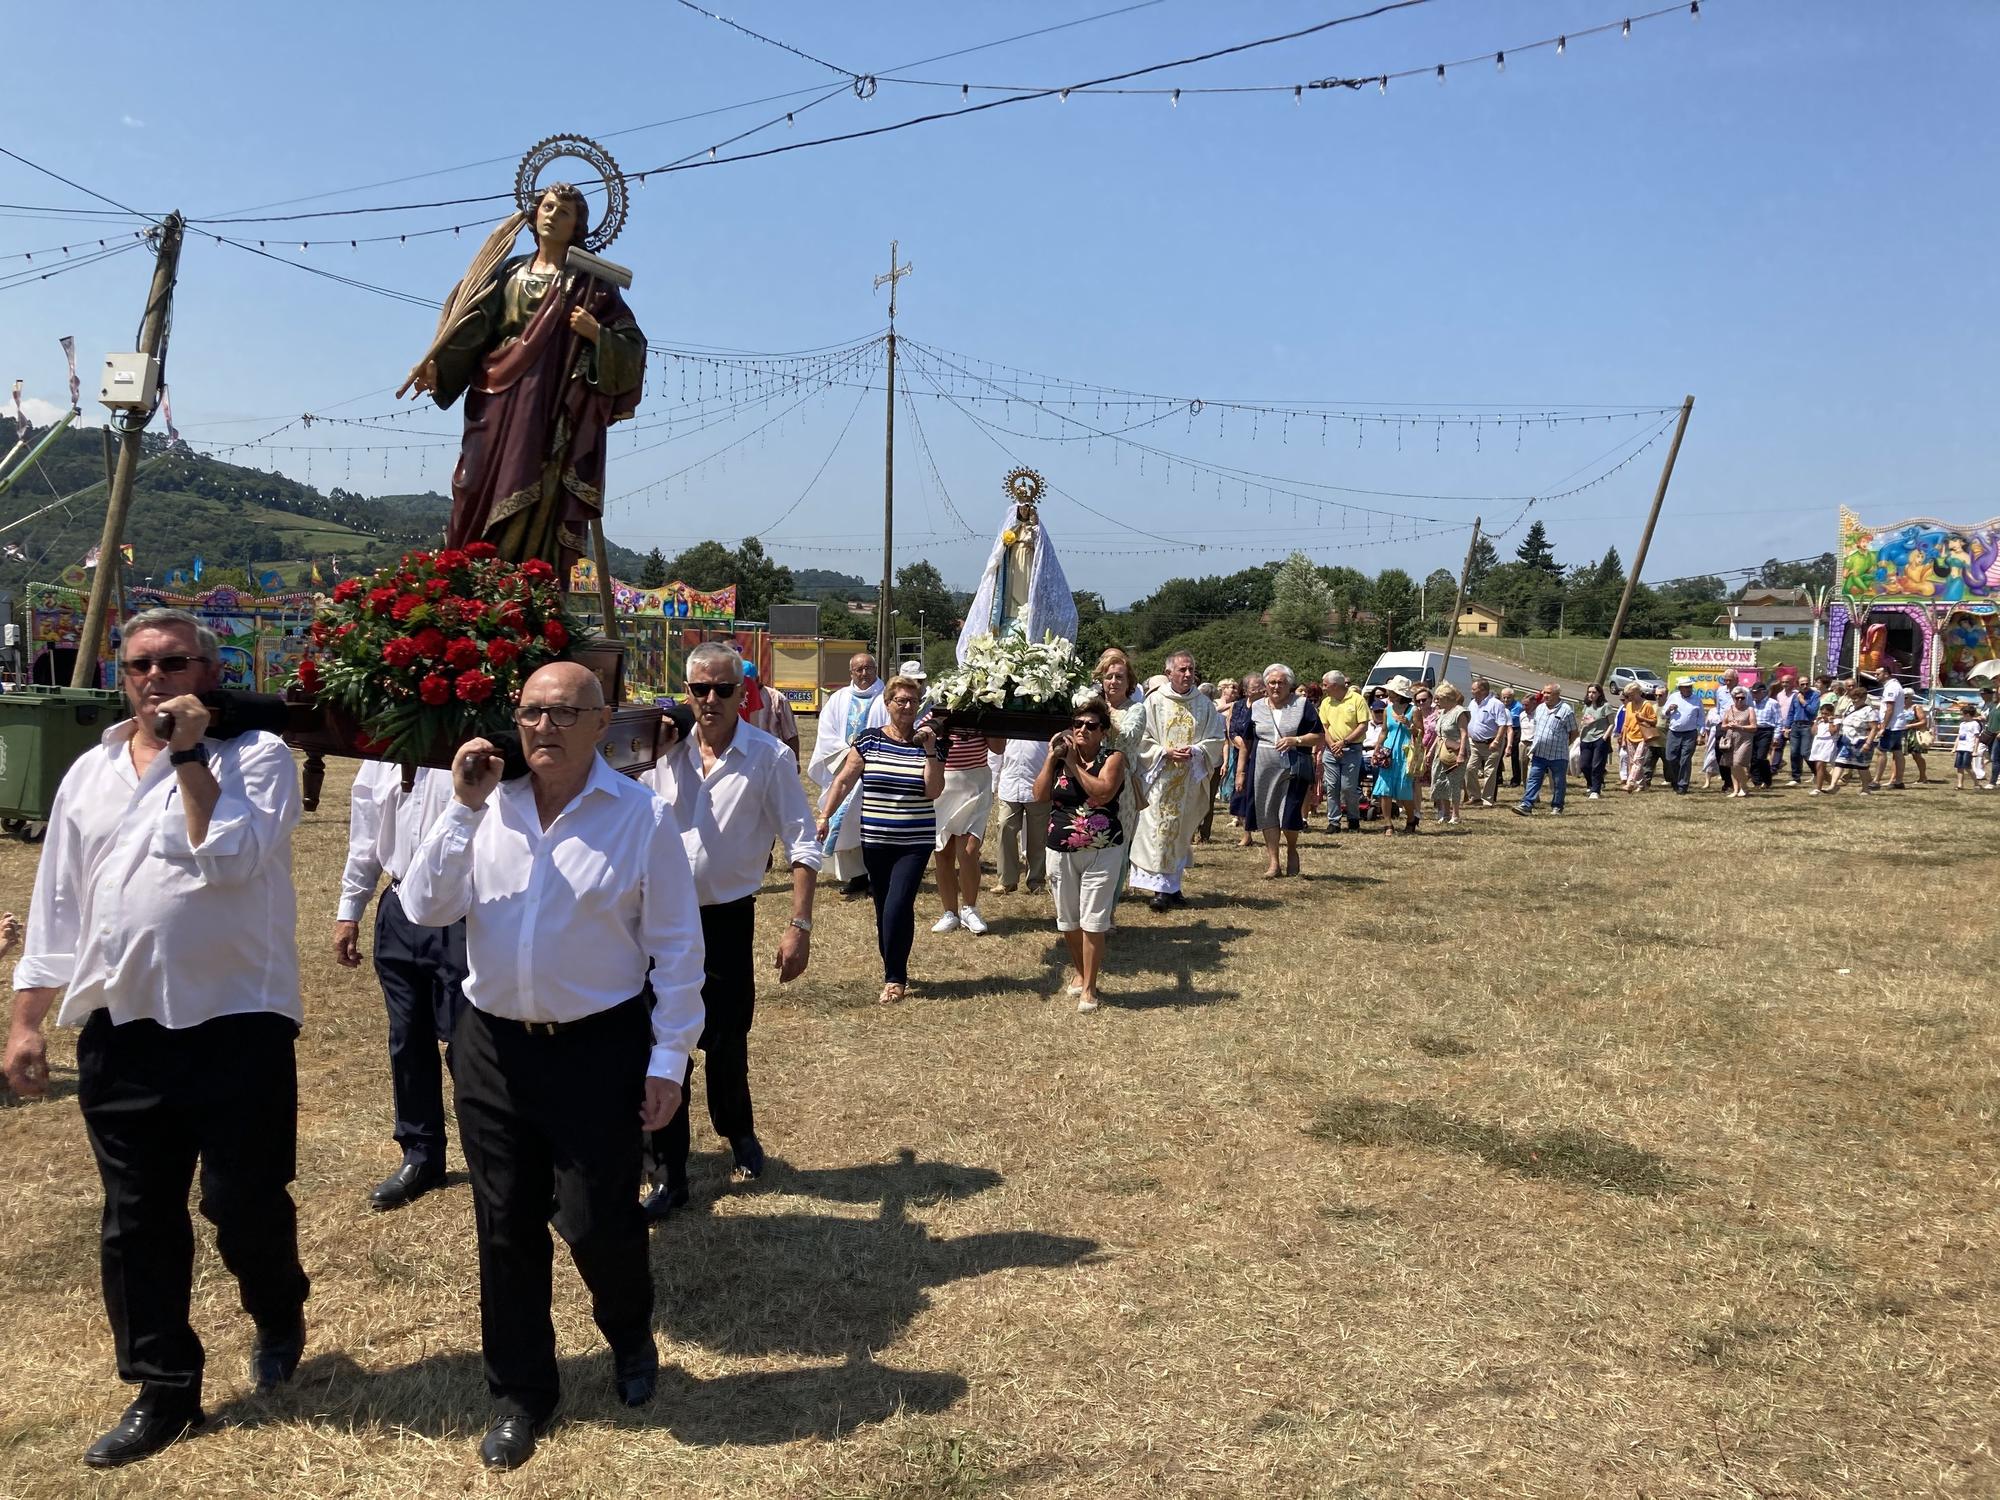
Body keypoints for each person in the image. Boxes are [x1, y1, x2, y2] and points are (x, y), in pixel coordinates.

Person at [4, 608, 309, 1467]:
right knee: (137, 1217)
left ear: (209, 674)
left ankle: (277, 1303)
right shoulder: (90, 772)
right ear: (120, 674)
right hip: (122, 1023)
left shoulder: (258, 759)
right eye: (139, 664)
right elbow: (59, 901)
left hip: (236, 1021)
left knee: (242, 1202)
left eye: (176, 662)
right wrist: (28, 1022)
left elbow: (235, 859)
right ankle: (163, 1387)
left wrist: (187, 756)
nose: (156, 678)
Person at [400, 661, 705, 1468]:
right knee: (503, 1224)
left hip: (597, 1047)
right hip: (491, 1045)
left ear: (602, 724)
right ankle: (521, 1394)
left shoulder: (640, 816)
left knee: (597, 1219)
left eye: (565, 713)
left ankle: (629, 1332)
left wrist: (668, 1059)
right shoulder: (481, 804)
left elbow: (676, 948)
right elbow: (424, 907)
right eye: (532, 712)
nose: (545, 728)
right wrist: (462, 810)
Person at [640, 643, 819, 1219]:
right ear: (685, 692)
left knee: (725, 1035)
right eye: (699, 690)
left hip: (725, 917)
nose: (710, 700)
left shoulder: (766, 757)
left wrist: (799, 924)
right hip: (659, 922)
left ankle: (737, 1129)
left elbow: (802, 840)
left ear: (744, 694)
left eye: (722, 689)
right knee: (662, 1043)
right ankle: (670, 1169)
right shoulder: (657, 755)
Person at [401, 183, 645, 576]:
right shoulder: (509, 272)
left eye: (564, 212)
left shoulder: (591, 283)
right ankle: (467, 583)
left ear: (577, 227)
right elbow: (475, 325)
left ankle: (525, 587)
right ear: (534, 215)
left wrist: (596, 334)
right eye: (547, 207)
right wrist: (439, 365)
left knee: (538, 490)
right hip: (496, 395)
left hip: (549, 409)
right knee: (472, 483)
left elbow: (633, 344)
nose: (552, 215)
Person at [335, 761, 464, 1212]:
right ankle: (421, 1154)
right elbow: (366, 837)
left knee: (469, 1043)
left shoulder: (465, 747)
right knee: (407, 1037)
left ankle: (497, 1154)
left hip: (460, 910)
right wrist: (350, 910)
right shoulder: (380, 762)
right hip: (398, 903)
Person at [814, 675, 944, 1004]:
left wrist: (929, 750)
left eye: (913, 701)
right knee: (884, 906)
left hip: (914, 841)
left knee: (899, 903)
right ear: (887, 704)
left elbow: (934, 790)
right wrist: (825, 815)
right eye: (900, 700)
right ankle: (893, 968)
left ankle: (895, 977)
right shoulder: (870, 740)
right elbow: (843, 781)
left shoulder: (931, 744)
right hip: (876, 839)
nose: (907, 707)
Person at [1032, 698, 1127, 1012]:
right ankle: (1080, 971)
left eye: (1091, 725)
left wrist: (1073, 764)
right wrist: (1051, 758)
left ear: (1103, 732)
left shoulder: (1114, 758)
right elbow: (1039, 795)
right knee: (1069, 921)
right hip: (1060, 848)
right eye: (1078, 724)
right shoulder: (1060, 758)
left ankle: (1089, 987)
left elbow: (1102, 793)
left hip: (1103, 849)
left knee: (1093, 921)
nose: (1083, 730)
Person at [1129, 650, 1229, 911]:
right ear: (1168, 673)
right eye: (1182, 670)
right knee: (1158, 834)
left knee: (1180, 833)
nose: (1188, 674)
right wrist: (1164, 752)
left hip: (1188, 780)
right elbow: (1141, 738)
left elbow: (1216, 738)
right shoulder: (1153, 703)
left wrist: (1197, 752)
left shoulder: (1204, 705)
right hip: (1159, 779)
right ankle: (1159, 890)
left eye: (1191, 670)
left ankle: (1173, 887)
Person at [807, 652, 887, 899]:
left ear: (876, 670)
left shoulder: (887, 698)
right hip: (843, 769)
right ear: (851, 672)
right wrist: (847, 756)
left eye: (869, 668)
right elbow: (826, 733)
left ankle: (878, 878)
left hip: (875, 772)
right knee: (848, 827)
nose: (865, 674)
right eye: (859, 669)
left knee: (874, 826)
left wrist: (869, 757)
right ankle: (857, 876)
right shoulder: (838, 699)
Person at [1245, 663, 1323, 877]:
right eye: (1272, 683)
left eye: (1281, 682)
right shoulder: (1257, 706)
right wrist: (1242, 771)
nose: (1276, 687)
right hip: (1262, 764)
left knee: (1288, 811)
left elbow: (1318, 736)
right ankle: (1273, 862)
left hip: (1293, 765)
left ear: (1289, 685)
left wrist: (1295, 740)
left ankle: (1291, 849)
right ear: (1265, 686)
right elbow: (1247, 740)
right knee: (1266, 810)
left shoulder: (1302, 704)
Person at [931, 717, 1005, 935]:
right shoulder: (936, 710)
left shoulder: (981, 713)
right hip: (943, 784)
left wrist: (991, 713)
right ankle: (950, 913)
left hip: (975, 784)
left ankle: (969, 909)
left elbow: (998, 749)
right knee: (943, 853)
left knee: (969, 851)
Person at [1093, 647, 1148, 897]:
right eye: (1108, 676)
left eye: (1119, 677)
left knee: (1117, 846)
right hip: (1090, 780)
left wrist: (1101, 715)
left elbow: (1126, 738)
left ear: (1129, 682)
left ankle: (1110, 907)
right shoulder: (1091, 706)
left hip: (1122, 786)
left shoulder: (1136, 710)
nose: (1113, 681)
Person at [993, 737, 1050, 895]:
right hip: (1010, 785)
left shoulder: (1044, 720)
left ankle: (1036, 881)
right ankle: (1006, 881)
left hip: (1039, 785)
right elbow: (996, 754)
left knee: (1038, 835)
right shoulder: (1009, 723)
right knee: (1005, 827)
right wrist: (993, 782)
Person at [1513, 682, 1578, 816]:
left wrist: (1564, 744)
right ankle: (1526, 805)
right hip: (1539, 752)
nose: (1545, 695)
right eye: (1544, 692)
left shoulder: (1566, 710)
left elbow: (1574, 732)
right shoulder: (1540, 708)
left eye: (1549, 693)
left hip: (1558, 754)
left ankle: (1557, 806)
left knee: (1558, 782)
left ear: (1557, 694)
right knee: (1533, 778)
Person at [1317, 670, 1369, 833]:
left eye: (1325, 684)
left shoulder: (1357, 700)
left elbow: (1363, 725)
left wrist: (1344, 742)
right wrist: (1333, 745)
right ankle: (1334, 822)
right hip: (1331, 750)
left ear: (1334, 685)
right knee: (1331, 787)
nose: (1323, 687)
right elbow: (1323, 727)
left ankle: (1353, 819)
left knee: (1348, 787)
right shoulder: (1326, 702)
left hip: (1352, 749)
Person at [1373, 678, 1420, 833]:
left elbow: (1421, 733)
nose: (1389, 694)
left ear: (1400, 694)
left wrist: (1409, 724)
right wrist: (1377, 748)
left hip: (1405, 753)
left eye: (1392, 692)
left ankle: (1411, 819)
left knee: (1404, 790)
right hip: (1388, 752)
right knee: (1384, 789)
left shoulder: (1414, 711)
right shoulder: (1387, 710)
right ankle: (1388, 824)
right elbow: (1384, 731)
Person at [737, 659, 800, 763]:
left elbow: (791, 734)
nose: (746, 688)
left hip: (773, 757)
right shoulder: (733, 697)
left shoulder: (777, 698)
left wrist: (796, 762)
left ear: (757, 679)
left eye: (749, 683)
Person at [1428, 681, 1469, 826]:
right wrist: (1431, 752)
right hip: (1441, 751)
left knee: (1453, 783)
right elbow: (1439, 735)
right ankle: (1444, 813)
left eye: (1439, 698)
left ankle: (1455, 814)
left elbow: (1464, 734)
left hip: (1455, 752)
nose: (1436, 701)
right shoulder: (1442, 713)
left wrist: (1461, 754)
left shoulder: (1459, 712)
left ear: (1448, 698)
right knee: (1439, 781)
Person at [1828, 681, 1879, 795]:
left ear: (1863, 698)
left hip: (1861, 741)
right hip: (1847, 740)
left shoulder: (1869, 711)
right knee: (1839, 762)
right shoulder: (1850, 708)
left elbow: (1874, 728)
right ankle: (1833, 785)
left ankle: (1866, 788)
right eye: (1853, 698)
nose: (1854, 700)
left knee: (1862, 766)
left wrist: (1868, 743)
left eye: (1857, 698)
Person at [1204, 678, 1240, 842]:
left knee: (1209, 800)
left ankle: (1205, 834)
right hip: (1199, 763)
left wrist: (1225, 762)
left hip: (1216, 763)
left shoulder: (1218, 719)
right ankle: (1190, 834)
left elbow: (1225, 742)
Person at [1228, 671, 1261, 845]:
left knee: (1254, 794)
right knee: (1240, 791)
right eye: (1253, 688)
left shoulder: (1264, 706)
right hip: (1239, 752)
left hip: (1257, 753)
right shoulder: (1239, 705)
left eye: (1259, 687)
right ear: (1246, 690)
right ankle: (1246, 833)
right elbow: (1232, 729)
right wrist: (1238, 741)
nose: (1257, 691)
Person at [1465, 678, 1508, 807]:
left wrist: (1497, 741)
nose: (1471, 691)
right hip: (1474, 743)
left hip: (1491, 743)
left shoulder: (1496, 704)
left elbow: (1502, 725)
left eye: (1474, 689)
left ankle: (1487, 799)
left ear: (1483, 690)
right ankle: (1475, 796)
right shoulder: (1472, 703)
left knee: (1489, 772)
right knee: (1469, 769)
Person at [1870, 663, 1910, 790]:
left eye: (1878, 674)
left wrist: (1883, 727)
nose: (1876, 676)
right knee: (1897, 752)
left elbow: (1889, 709)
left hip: (1892, 726)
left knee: (1881, 752)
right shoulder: (1894, 685)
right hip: (1897, 724)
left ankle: (1876, 781)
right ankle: (1899, 780)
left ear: (1886, 674)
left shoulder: (1891, 687)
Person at [1663, 676, 1705, 793]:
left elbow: (1701, 717)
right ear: (1680, 688)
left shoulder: (1696, 699)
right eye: (1686, 687)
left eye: (1690, 687)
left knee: (1685, 759)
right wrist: (1669, 710)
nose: (1688, 689)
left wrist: (1701, 733)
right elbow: (1663, 714)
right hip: (1674, 732)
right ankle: (1676, 780)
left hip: (1690, 733)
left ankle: (1683, 785)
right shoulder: (1673, 697)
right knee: (1670, 757)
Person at [1717, 685, 1758, 797]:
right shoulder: (1729, 710)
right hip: (1731, 740)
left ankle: (1744, 787)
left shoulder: (1750, 710)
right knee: (1732, 765)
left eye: (1742, 698)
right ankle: (1736, 790)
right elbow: (1723, 726)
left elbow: (1754, 727)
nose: (1740, 700)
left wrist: (1740, 727)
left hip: (1745, 740)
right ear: (1733, 698)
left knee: (1737, 763)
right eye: (1737, 698)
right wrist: (1728, 725)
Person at [1617, 682, 1658, 793]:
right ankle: (1642, 784)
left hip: (1643, 737)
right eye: (1627, 695)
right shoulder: (1629, 705)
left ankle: (1630, 783)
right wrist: (1623, 737)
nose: (1628, 698)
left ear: (1637, 693)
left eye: (1630, 695)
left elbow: (1654, 721)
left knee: (1637, 761)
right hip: (1630, 736)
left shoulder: (1647, 705)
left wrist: (1642, 718)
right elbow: (1626, 723)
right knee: (1633, 762)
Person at [1576, 684, 1615, 799]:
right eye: (1589, 692)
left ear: (1599, 693)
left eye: (1594, 692)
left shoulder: (1605, 706)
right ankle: (1592, 783)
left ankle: (1595, 790)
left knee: (1596, 766)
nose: (1591, 695)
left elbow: (1612, 723)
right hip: (1586, 738)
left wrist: (1605, 737)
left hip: (1599, 738)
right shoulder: (1587, 706)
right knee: (1584, 765)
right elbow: (1584, 721)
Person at [1784, 675, 1821, 786]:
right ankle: (1796, 777)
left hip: (1807, 725)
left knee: (1805, 752)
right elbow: (1791, 712)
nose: (1805, 686)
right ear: (1798, 685)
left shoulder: (1814, 695)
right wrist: (1787, 727)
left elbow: (1813, 711)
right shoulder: (1795, 696)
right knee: (1794, 753)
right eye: (1802, 684)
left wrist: (1803, 701)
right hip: (1796, 726)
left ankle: (1818, 773)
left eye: (1807, 684)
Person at [1749, 680, 1782, 790]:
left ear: (1763, 692)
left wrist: (1776, 736)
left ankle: (1766, 780)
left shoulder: (1772, 703)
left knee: (1761, 757)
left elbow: (1778, 721)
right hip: (1753, 730)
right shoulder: (1751, 704)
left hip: (1766, 731)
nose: (1754, 694)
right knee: (1752, 757)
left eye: (1756, 692)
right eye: (1753, 692)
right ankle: (1756, 781)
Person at [1952, 701, 1985, 791]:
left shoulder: (1975, 724)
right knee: (1959, 766)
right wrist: (1955, 747)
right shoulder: (1962, 724)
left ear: (1967, 714)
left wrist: (1975, 750)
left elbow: (1977, 737)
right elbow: (1959, 736)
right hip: (1961, 747)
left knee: (1967, 767)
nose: (1961, 716)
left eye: (1962, 714)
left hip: (1968, 747)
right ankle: (1960, 784)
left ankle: (1976, 783)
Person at [1807, 699, 1839, 793]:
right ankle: (1833, 785)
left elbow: (1833, 732)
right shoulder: (1820, 721)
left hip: (1828, 743)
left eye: (1826, 713)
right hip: (1818, 743)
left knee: (1820, 765)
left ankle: (1818, 788)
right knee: (1819, 767)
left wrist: (1830, 721)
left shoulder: (1836, 721)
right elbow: (1813, 732)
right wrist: (1816, 722)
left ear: (1831, 713)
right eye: (1822, 713)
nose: (1824, 716)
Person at [1904, 693, 1933, 784]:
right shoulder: (1899, 707)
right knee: (1898, 755)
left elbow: (1923, 722)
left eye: (1906, 697)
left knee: (1916, 755)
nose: (1904, 699)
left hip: (1913, 733)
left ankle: (1923, 776)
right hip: (1903, 733)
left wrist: (1909, 725)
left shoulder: (1916, 707)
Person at [1498, 686, 1524, 788]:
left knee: (1514, 755)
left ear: (1513, 697)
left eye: (1508, 698)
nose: (1505, 700)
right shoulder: (1500, 705)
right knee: (1498, 755)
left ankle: (1516, 779)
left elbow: (1507, 719)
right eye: (1503, 697)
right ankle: (1498, 778)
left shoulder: (1518, 707)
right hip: (1502, 730)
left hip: (1515, 730)